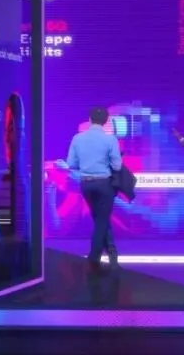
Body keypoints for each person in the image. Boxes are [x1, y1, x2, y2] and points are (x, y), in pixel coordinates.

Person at [65, 107, 122, 273]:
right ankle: (94, 257)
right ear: (106, 121)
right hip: (104, 185)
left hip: (86, 185)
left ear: (90, 120)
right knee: (102, 221)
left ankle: (112, 256)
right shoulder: (110, 140)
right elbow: (117, 166)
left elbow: (71, 163)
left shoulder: (77, 138)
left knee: (100, 220)